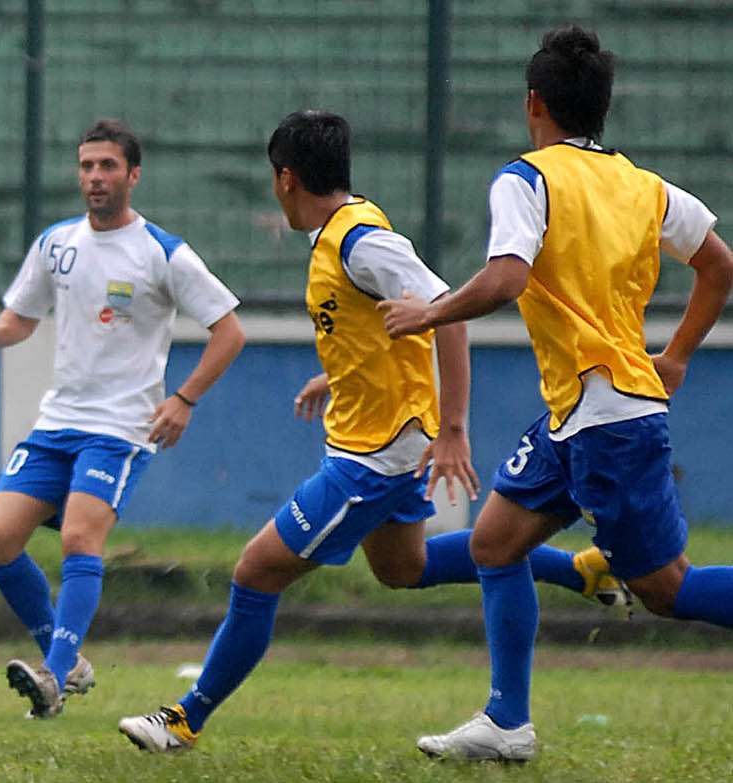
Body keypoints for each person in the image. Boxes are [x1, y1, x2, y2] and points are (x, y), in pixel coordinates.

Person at [118, 110, 633, 753]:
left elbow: (446, 316)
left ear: (285, 179)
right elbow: (386, 325)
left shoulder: (362, 241)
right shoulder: (344, 233)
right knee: (402, 569)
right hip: (383, 436)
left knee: (254, 573)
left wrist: (454, 430)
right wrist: (336, 375)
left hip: (377, 455)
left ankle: (185, 718)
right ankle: (581, 572)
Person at [378, 26, 733, 762]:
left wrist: (429, 311)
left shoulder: (525, 178)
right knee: (492, 542)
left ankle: (508, 717)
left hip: (608, 420)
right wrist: (676, 355)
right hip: (578, 412)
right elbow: (717, 264)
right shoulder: (643, 185)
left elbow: (506, 276)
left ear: (532, 102)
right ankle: (506, 721)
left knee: (667, 590)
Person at [0, 118, 248, 719]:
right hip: (57, 421)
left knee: (78, 538)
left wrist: (184, 398)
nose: (95, 177)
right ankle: (65, 658)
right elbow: (22, 318)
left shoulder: (162, 252)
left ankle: (55, 678)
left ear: (133, 175)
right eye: (87, 166)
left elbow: (229, 331)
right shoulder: (57, 243)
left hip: (120, 428)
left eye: (108, 166)